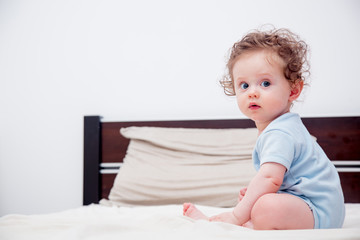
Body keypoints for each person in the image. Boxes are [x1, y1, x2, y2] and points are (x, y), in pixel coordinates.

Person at [183, 27, 345, 230]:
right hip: (315, 209)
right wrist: (255, 192)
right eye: (244, 85)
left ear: (293, 90)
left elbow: (270, 178)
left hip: (317, 212)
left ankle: (237, 222)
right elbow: (278, 180)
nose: (252, 93)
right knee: (256, 196)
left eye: (265, 83)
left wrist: (238, 213)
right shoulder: (284, 126)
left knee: (263, 205)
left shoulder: (280, 132)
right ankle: (241, 220)